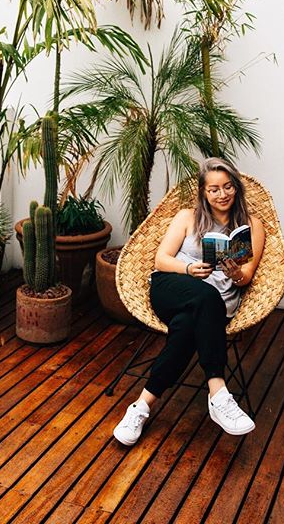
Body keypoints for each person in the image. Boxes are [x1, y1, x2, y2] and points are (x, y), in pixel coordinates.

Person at [113, 157, 265, 446]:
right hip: (172, 286)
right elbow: (161, 259)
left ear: (237, 189)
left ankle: (140, 407)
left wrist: (235, 273)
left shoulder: (250, 226)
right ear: (203, 193)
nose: (222, 195)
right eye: (214, 189)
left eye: (228, 187)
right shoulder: (187, 217)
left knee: (186, 326)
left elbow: (246, 276)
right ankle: (218, 392)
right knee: (205, 296)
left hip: (216, 301)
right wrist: (188, 269)